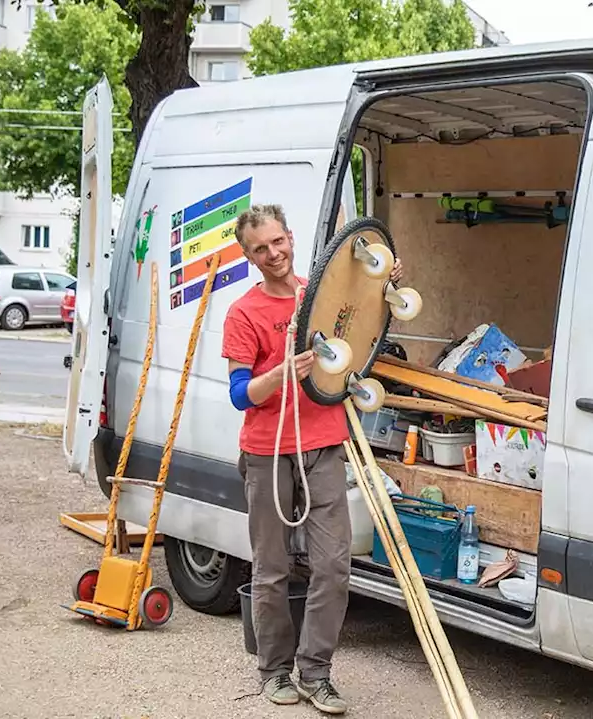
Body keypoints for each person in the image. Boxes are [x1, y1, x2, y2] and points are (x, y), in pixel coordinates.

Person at [221, 204, 403, 714]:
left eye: (278, 241)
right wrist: (282, 371)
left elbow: (365, 315)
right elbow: (240, 394)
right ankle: (275, 671)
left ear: (291, 237)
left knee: (333, 565)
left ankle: (317, 673)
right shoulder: (244, 313)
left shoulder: (318, 295)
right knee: (272, 568)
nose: (273, 253)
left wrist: (385, 278)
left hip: (323, 442)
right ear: (248, 255)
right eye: (261, 248)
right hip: (267, 450)